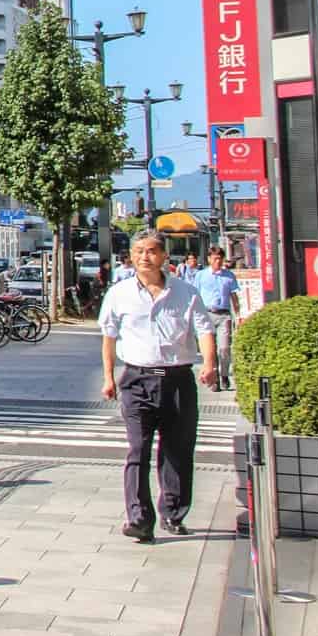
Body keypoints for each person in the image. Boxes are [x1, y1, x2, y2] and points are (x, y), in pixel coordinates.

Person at [100, 228, 217, 542]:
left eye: (151, 251)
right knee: (138, 450)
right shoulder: (119, 293)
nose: (144, 257)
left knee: (177, 450)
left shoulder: (186, 292)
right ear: (131, 256)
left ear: (164, 256)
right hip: (136, 379)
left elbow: (204, 329)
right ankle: (139, 517)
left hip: (178, 379)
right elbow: (109, 337)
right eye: (139, 251)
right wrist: (109, 377)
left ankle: (173, 512)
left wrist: (209, 364)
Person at [193, 246, 241, 392]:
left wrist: (238, 315)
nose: (218, 261)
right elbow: (195, 295)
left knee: (224, 348)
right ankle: (215, 380)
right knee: (210, 350)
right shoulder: (201, 276)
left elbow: (234, 296)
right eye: (215, 258)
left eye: (220, 258)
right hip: (206, 315)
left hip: (224, 315)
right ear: (209, 259)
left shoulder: (229, 276)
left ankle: (225, 374)